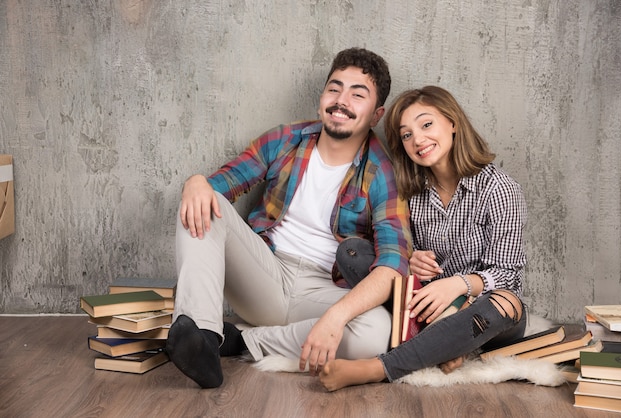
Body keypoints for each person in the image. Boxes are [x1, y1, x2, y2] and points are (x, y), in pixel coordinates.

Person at [165, 47, 412, 388]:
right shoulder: (286, 139)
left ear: (376, 115)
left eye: (358, 95)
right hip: (264, 272)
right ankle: (202, 335)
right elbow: (219, 186)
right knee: (200, 204)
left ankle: (242, 341)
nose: (341, 101)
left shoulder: (383, 174)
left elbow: (392, 268)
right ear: (322, 96)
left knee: (376, 331)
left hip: (323, 291)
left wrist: (336, 318)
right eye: (334, 88)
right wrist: (195, 183)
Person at [319, 86, 528, 391]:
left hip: (480, 309)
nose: (417, 139)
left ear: (452, 122)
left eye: (426, 124)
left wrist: (458, 284)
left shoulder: (498, 188)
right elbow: (386, 246)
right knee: (353, 251)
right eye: (406, 135)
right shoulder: (409, 189)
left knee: (507, 303)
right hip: (422, 304)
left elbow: (508, 274)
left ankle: (377, 368)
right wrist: (409, 258)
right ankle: (446, 345)